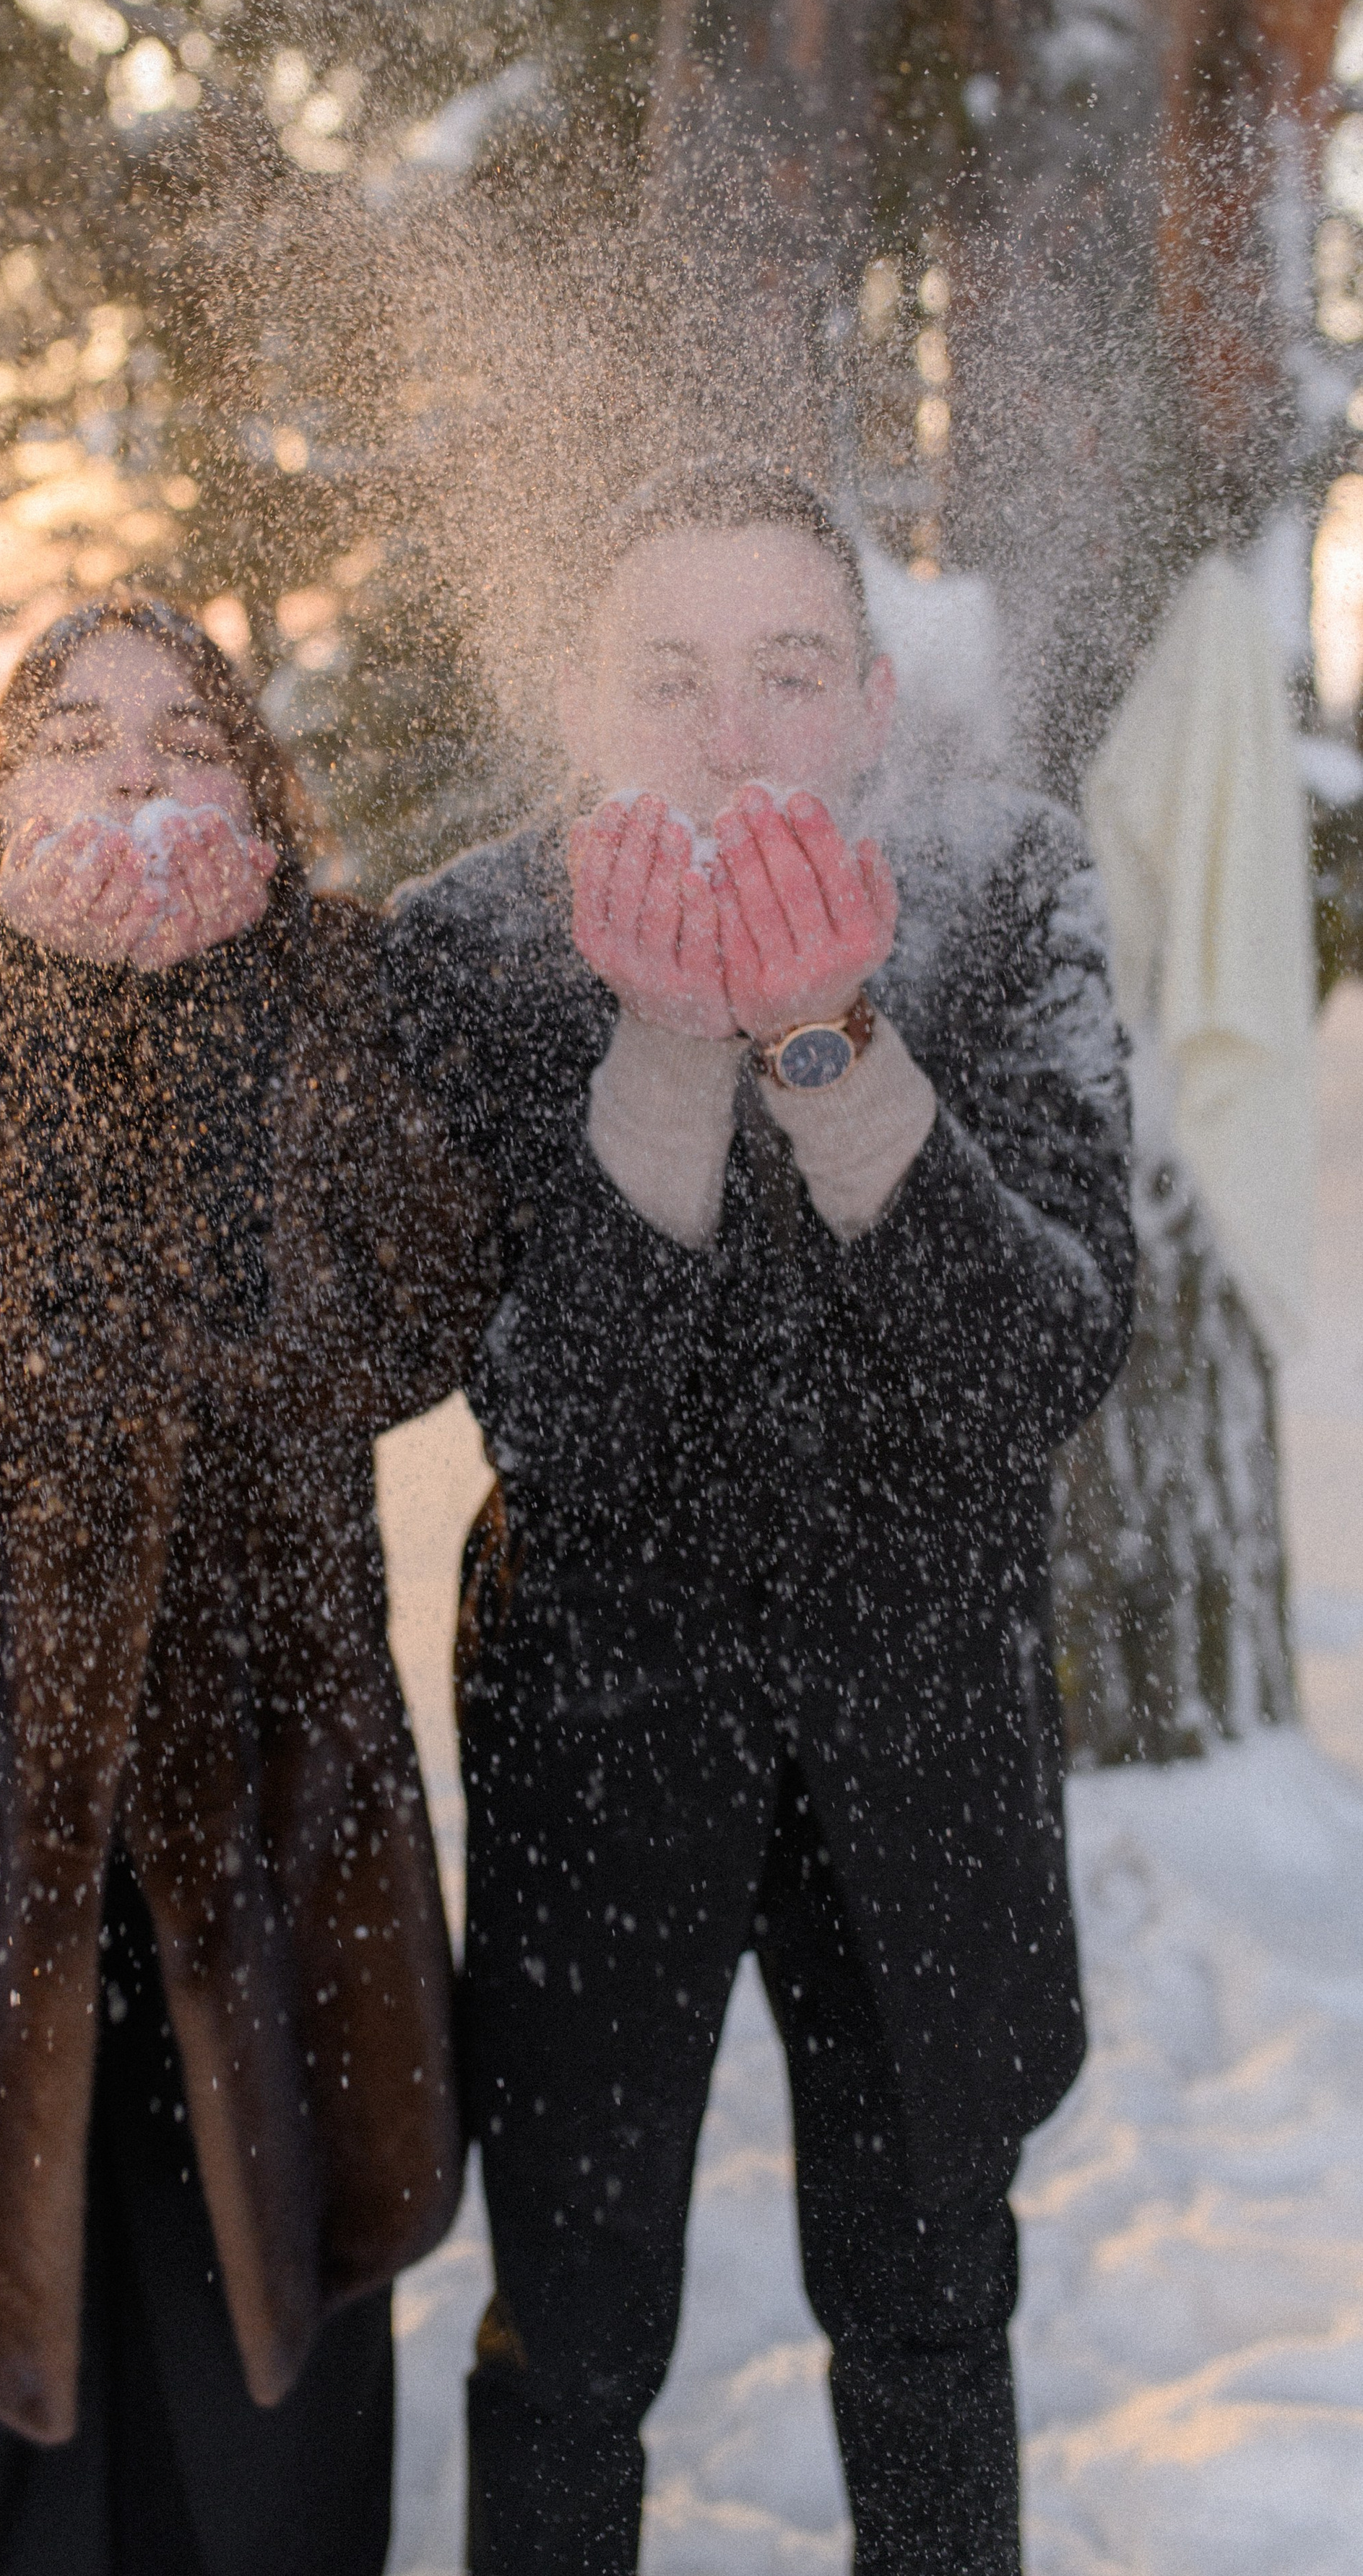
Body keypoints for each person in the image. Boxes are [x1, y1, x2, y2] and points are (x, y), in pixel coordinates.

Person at [382, 457, 1137, 2576]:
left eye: (790, 674)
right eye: (674, 678)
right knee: (574, 2333)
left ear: (876, 705)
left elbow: (1049, 1362)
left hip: (926, 1733)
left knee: (927, 2308)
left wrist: (829, 1042)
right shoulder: (465, 945)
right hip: (599, 1736)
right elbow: (554, 1410)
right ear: (588, 705)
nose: (733, 736)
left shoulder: (1010, 888)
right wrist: (670, 1050)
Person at [0, 591, 498, 2576]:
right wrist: (36, 1031)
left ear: (257, 781)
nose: (134, 761)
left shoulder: (345, 991)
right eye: (71, 731)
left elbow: (410, 1313)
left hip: (269, 1852)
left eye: (187, 730)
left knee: (265, 2458)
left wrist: (205, 1052)